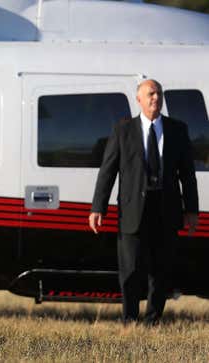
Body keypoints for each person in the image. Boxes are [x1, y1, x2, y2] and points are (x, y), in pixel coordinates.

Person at [89, 79, 198, 325]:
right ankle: (128, 318)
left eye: (158, 94)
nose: (155, 98)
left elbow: (188, 175)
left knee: (160, 270)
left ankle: (153, 319)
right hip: (132, 209)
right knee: (130, 269)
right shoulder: (123, 130)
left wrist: (191, 210)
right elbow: (108, 171)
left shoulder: (177, 130)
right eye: (150, 94)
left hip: (166, 208)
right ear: (138, 99)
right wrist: (98, 207)